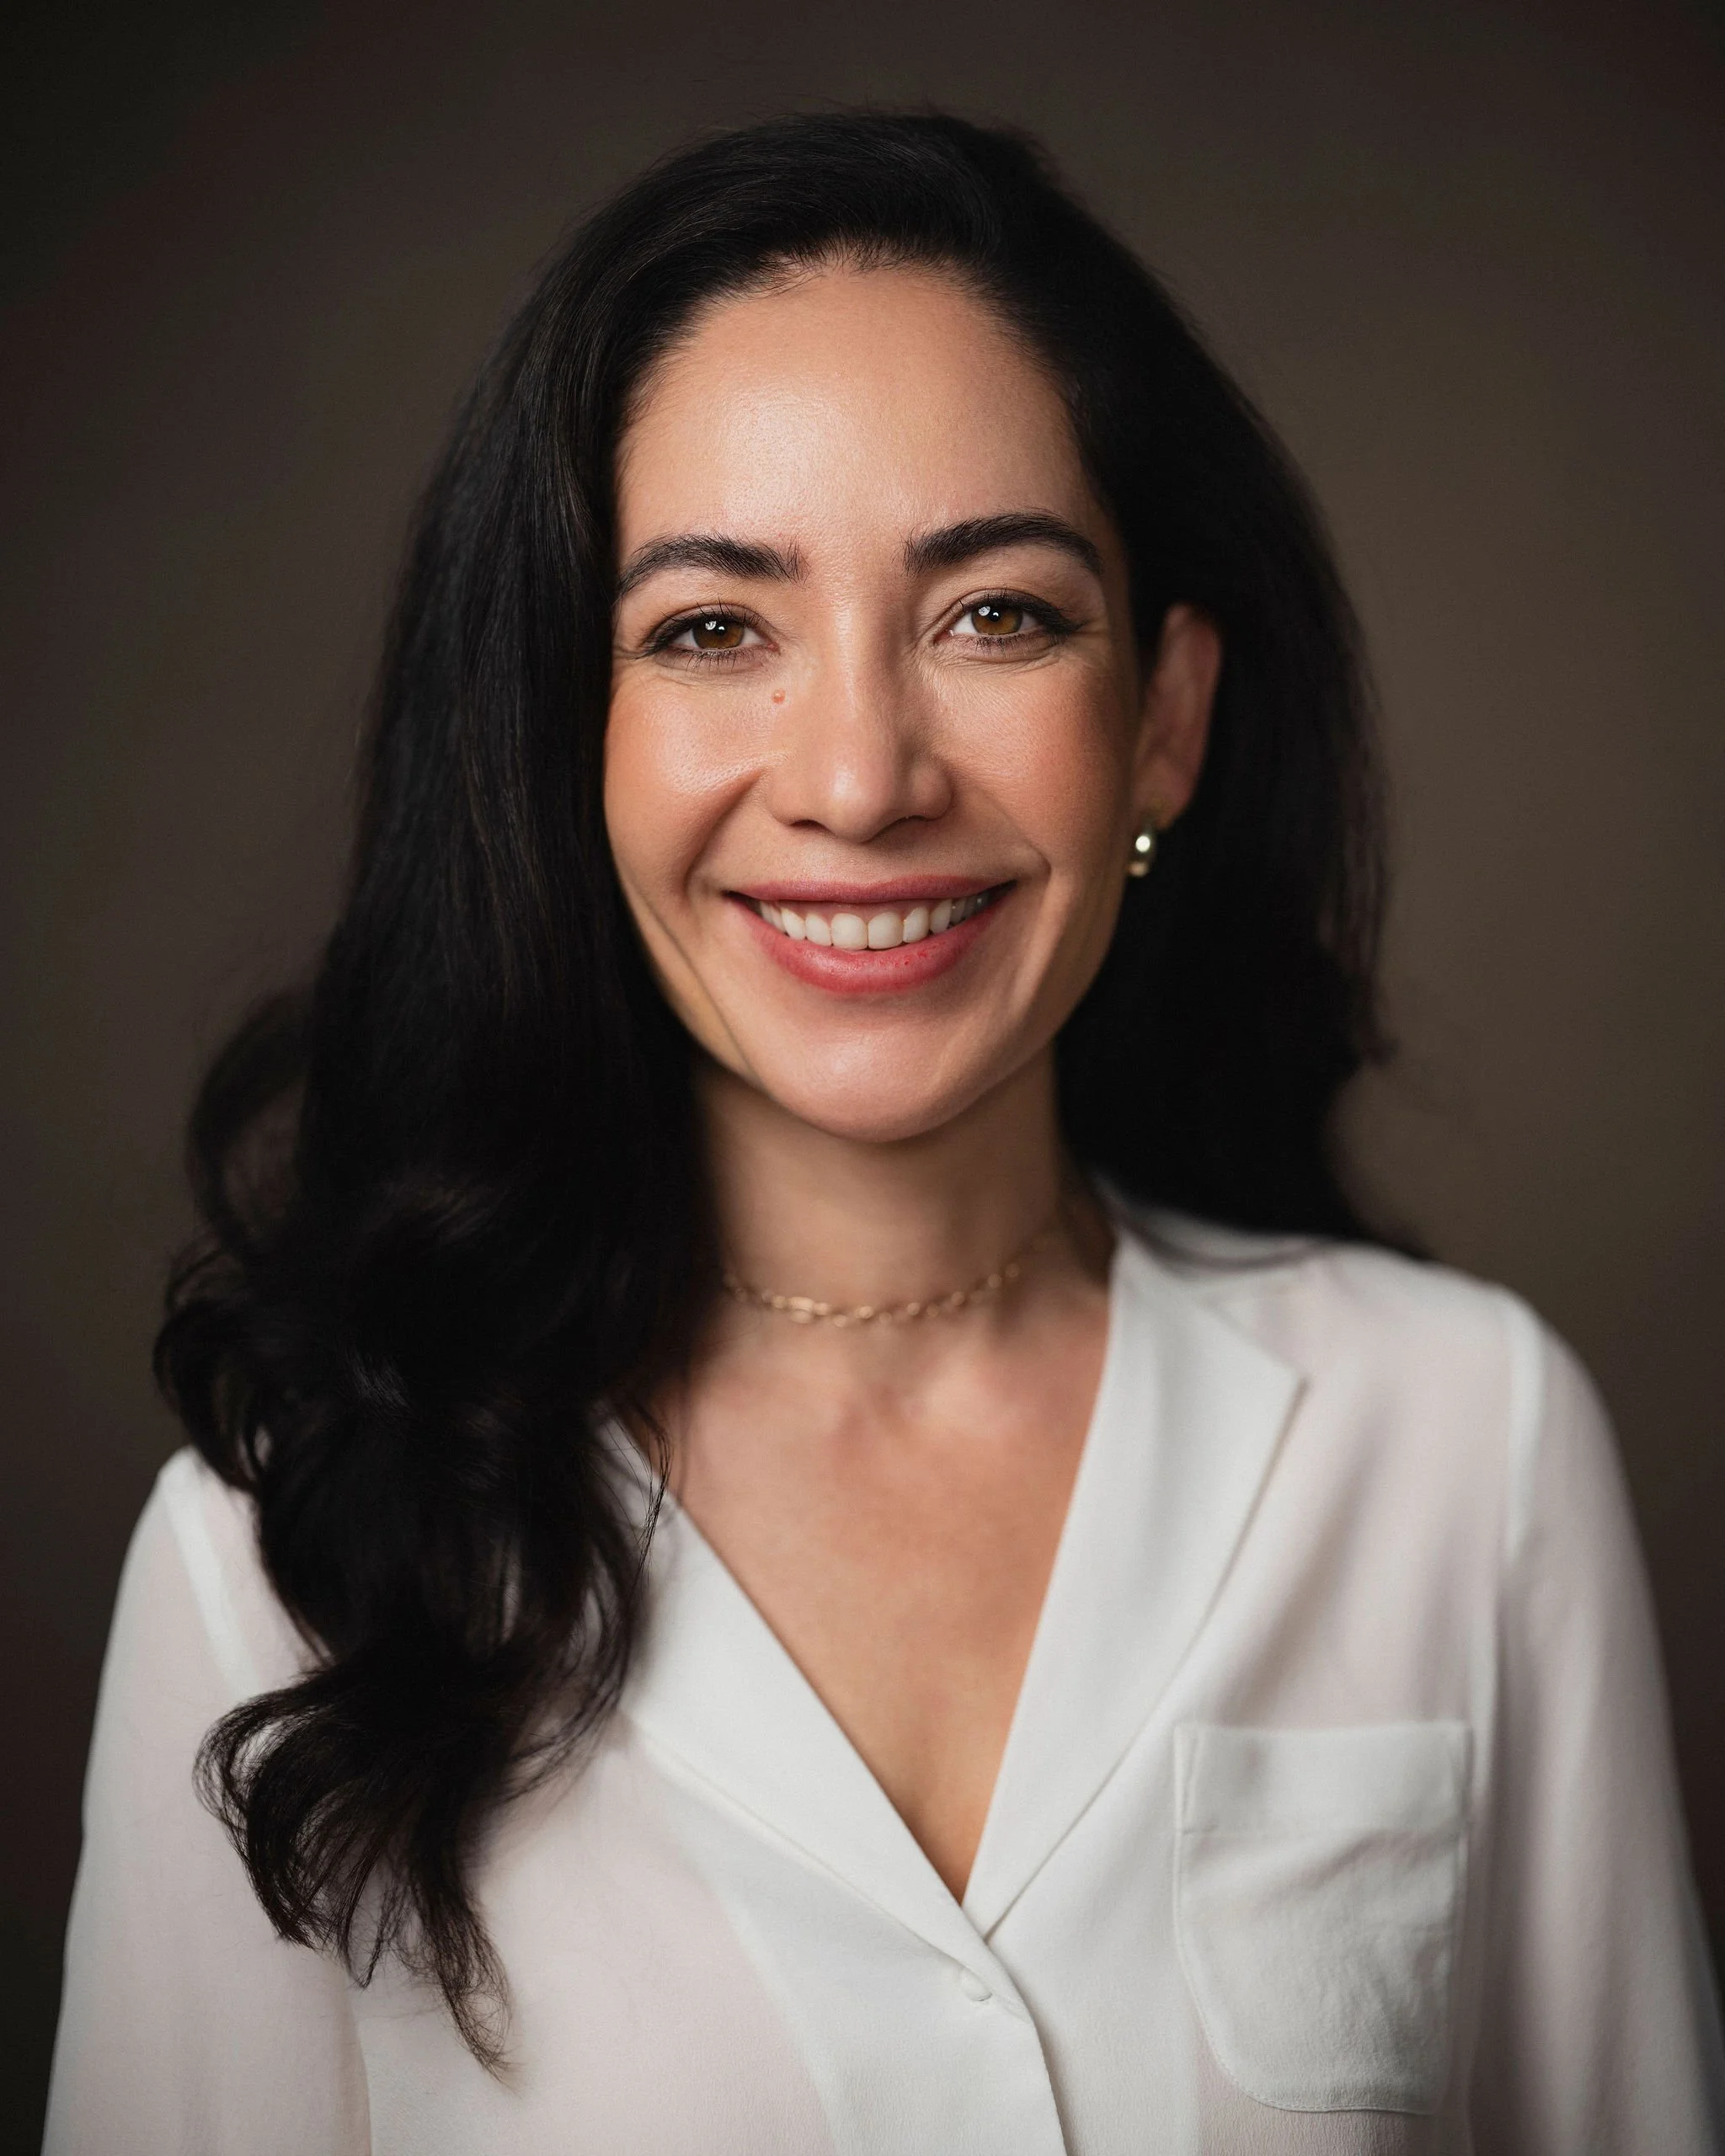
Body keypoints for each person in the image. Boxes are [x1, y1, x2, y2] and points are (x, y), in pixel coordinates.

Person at [45, 111, 1723, 2154]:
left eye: (994, 613)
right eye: (708, 628)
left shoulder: (1464, 1445)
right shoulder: (271, 1561)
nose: (855, 774)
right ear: (561, 736)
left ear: (1165, 720)